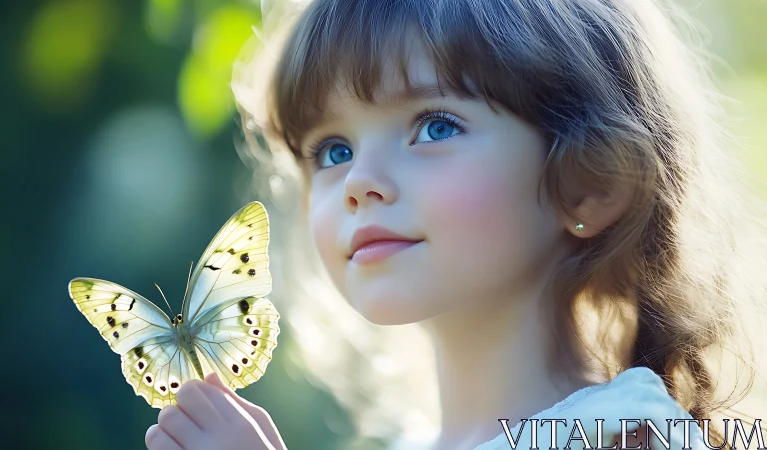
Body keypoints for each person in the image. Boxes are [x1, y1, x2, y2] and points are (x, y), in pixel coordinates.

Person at [144, 0, 767, 449]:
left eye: (435, 126)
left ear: (590, 184)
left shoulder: (624, 434)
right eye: (332, 149)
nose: (360, 181)